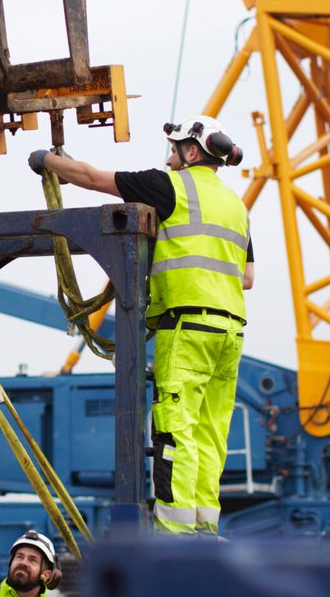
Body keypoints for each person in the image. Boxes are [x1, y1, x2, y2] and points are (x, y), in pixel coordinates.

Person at [30, 115, 254, 536]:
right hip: (231, 331)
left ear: (191, 151)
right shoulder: (236, 207)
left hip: (186, 328)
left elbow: (94, 178)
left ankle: (175, 536)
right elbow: (247, 277)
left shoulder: (169, 186)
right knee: (210, 433)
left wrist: (47, 161)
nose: (169, 159)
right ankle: (205, 530)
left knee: (175, 430)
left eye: (174, 150)